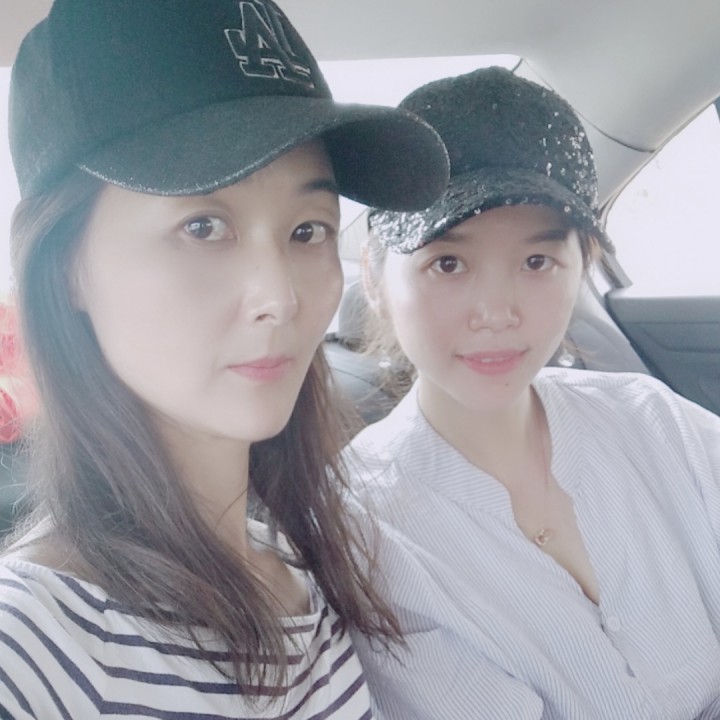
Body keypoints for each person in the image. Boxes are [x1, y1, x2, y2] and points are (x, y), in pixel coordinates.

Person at [0, 1, 450, 718]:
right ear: (65, 269)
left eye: (308, 230)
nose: (280, 296)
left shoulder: (305, 554)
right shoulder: (36, 642)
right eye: (202, 226)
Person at [345, 66, 720, 719]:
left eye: (537, 261)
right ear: (375, 279)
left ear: (582, 265)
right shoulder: (360, 527)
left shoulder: (653, 421)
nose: (497, 312)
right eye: (448, 263)